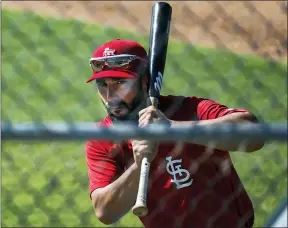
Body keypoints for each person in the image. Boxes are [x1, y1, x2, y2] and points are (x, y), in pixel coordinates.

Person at [85, 39, 265, 228]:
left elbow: (254, 135)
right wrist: (138, 166)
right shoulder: (103, 139)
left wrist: (171, 129)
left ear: (144, 80)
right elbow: (105, 212)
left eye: (120, 83)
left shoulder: (188, 109)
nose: (110, 96)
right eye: (102, 85)